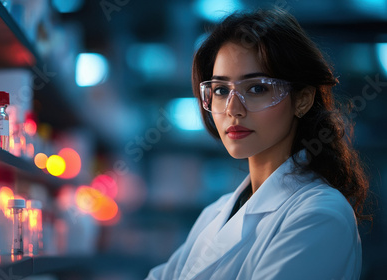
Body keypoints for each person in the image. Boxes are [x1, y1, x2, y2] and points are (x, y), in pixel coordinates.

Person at [146, 8, 369, 280]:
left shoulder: (320, 215)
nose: (233, 109)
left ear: (302, 99)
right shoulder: (216, 213)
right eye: (221, 90)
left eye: (257, 88)